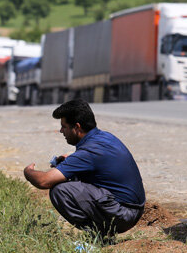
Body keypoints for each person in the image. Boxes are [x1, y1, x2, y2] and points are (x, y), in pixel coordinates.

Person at [23, 99, 145, 236]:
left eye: (64, 126)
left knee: (60, 190)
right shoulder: (104, 137)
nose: (61, 131)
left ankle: (99, 235)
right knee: (72, 178)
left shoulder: (88, 153)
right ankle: (102, 230)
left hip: (123, 213)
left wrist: (28, 172)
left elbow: (43, 181)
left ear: (77, 127)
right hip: (132, 209)